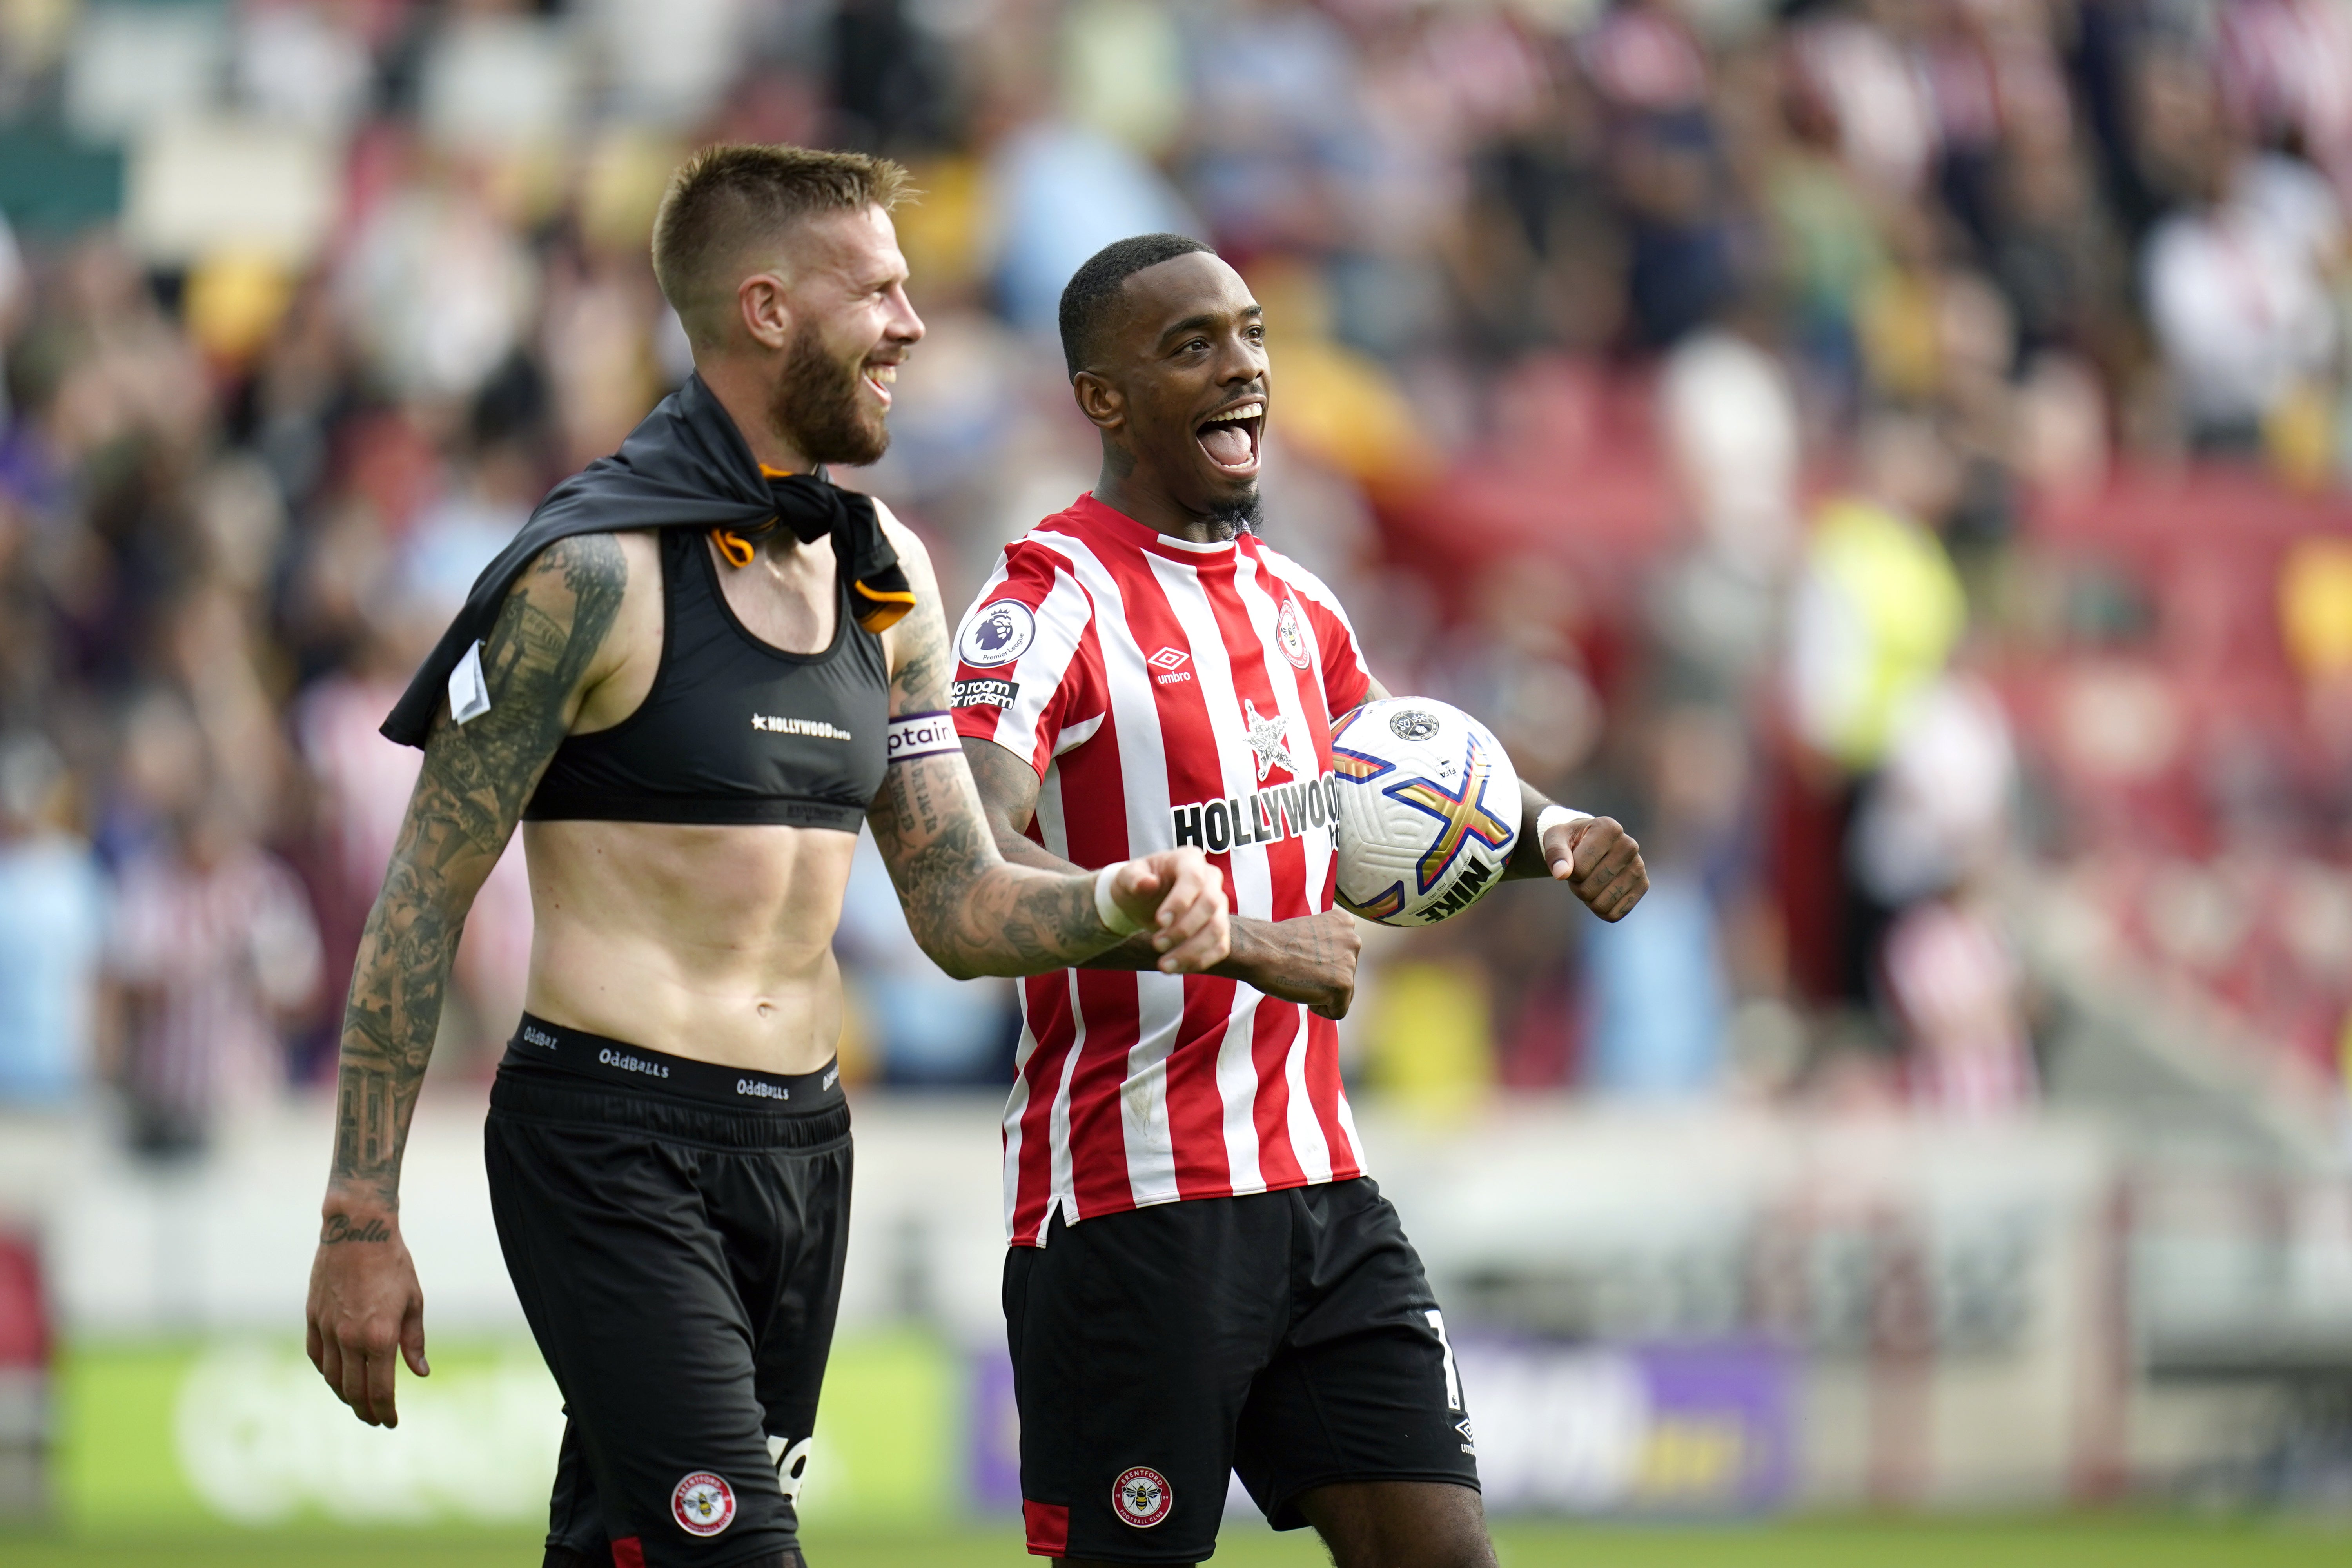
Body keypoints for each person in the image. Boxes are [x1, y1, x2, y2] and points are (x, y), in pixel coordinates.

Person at [303, 150, 1231, 1568]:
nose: (916, 326)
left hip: (803, 1150)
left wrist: (1119, 896)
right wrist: (362, 1217)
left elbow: (961, 902)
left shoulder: (887, 575)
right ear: (767, 309)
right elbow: (419, 903)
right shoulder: (590, 575)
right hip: (610, 1144)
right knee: (740, 1552)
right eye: (880, 292)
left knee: (627, 1544)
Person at [950, 234, 1649, 1568]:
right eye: (1193, 345)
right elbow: (968, 852)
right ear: (1102, 398)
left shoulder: (1297, 605)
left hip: (1323, 1188)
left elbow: (1409, 806)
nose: (1245, 370)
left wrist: (1548, 832)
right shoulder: (1048, 603)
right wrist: (1215, 934)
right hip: (1130, 1202)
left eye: (1253, 335)